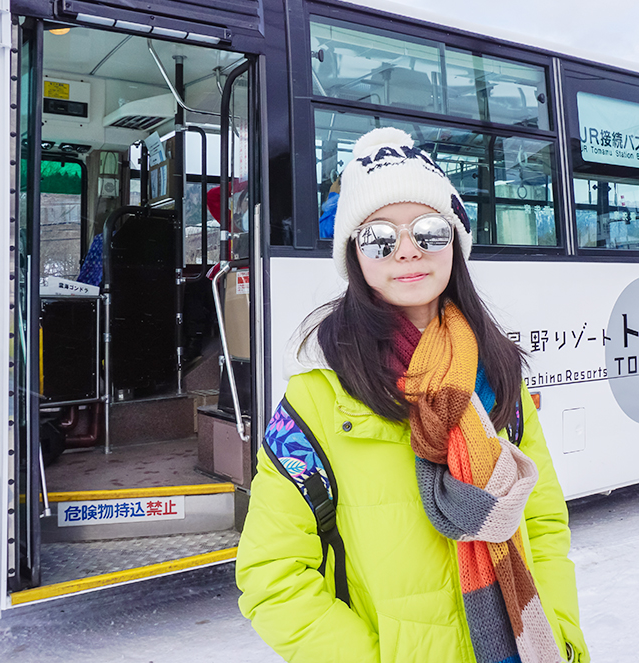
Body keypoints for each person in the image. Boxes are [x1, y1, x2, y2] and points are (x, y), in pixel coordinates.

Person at [237, 127, 587, 663]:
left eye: (429, 230)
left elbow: (542, 526)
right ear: (354, 253)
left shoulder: (496, 373)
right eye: (379, 236)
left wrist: (559, 637)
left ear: (455, 241)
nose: (407, 251)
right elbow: (273, 576)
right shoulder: (315, 394)